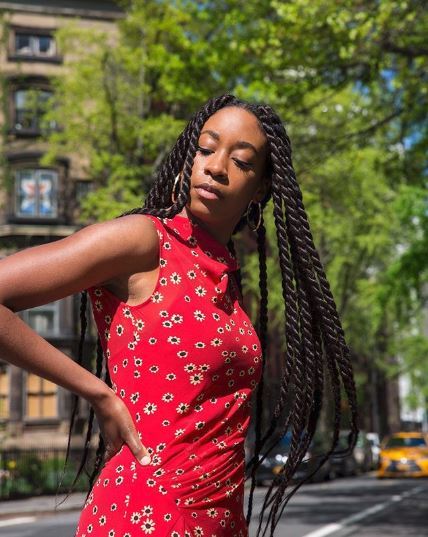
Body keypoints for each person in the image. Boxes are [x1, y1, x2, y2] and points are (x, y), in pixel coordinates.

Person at [0, 94, 358, 537]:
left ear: (261, 187)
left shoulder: (226, 276)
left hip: (221, 520)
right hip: (144, 514)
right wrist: (99, 393)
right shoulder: (144, 240)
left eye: (241, 161)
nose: (215, 167)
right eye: (206, 149)